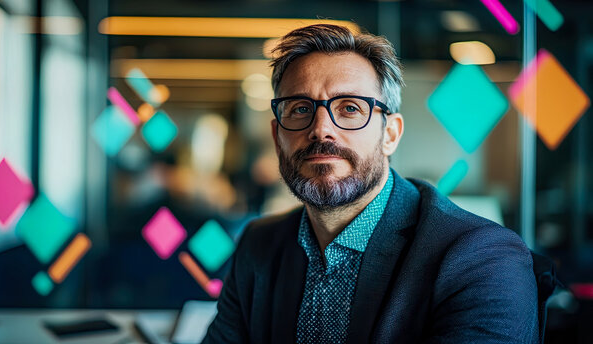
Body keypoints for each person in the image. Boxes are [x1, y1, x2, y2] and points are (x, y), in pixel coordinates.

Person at [202, 24, 538, 344]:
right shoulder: (259, 245)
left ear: (390, 134)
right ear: (278, 138)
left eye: (350, 108)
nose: (321, 129)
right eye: (300, 109)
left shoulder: (482, 259)